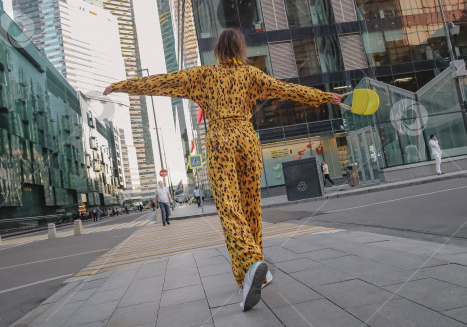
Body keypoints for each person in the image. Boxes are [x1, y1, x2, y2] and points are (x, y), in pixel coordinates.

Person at [104, 28, 342, 312]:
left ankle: (251, 265)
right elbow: (287, 89)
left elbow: (161, 82)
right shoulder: (251, 75)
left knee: (230, 208)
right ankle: (258, 271)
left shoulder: (203, 76)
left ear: (217, 51)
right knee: (251, 207)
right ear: (239, 49)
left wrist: (121, 85)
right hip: (246, 137)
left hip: (220, 140)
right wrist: (325, 97)